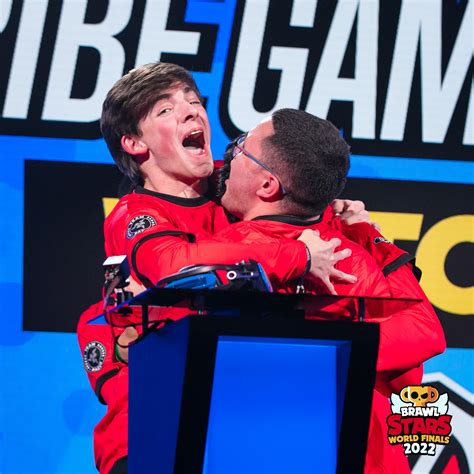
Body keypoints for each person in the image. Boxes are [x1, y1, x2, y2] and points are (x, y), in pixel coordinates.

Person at [77, 62, 357, 474]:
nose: (191, 111)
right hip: (155, 430)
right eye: (166, 109)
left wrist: (340, 214)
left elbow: (296, 198)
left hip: (243, 417)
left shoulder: (236, 188)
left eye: (193, 101)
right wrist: (295, 256)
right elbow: (171, 266)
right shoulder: (136, 215)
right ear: (134, 143)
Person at [213, 109, 446, 472]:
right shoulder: (349, 254)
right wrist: (370, 238)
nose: (229, 155)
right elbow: (408, 371)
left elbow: (421, 336)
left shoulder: (218, 250)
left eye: (242, 147)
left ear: (268, 185)